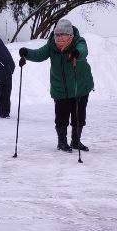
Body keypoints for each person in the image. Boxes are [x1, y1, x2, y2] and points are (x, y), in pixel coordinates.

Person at [17, 19, 94, 153]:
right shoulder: (51, 45)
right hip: (60, 88)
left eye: (62, 35)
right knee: (61, 117)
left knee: (79, 116)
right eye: (57, 35)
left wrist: (77, 53)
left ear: (70, 35)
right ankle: (62, 142)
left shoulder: (78, 41)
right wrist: (27, 53)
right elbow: (40, 54)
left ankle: (76, 141)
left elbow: (83, 51)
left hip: (79, 87)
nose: (59, 38)